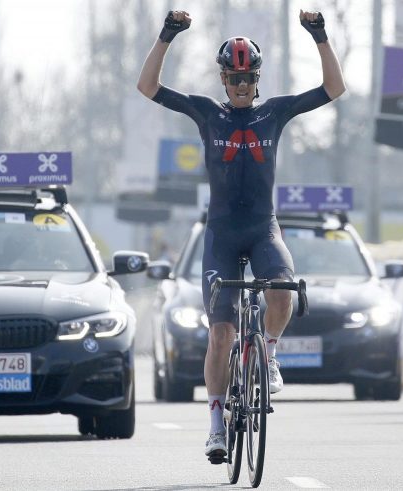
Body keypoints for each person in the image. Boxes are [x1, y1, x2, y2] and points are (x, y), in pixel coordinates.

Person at [137, 9, 345, 461]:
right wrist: (167, 36)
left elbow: (334, 89)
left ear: (258, 78)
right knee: (221, 334)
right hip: (222, 235)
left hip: (263, 228)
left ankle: (268, 354)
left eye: (249, 78)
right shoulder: (208, 112)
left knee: (282, 290)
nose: (242, 86)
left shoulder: (276, 111)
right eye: (234, 79)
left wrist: (320, 36)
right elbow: (148, 87)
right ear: (223, 79)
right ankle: (215, 424)